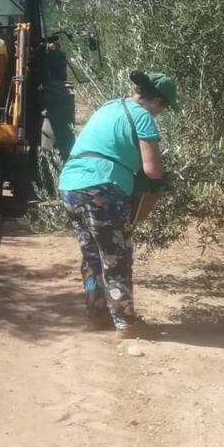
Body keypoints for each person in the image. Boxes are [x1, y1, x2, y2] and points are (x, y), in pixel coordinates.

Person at [58, 70, 177, 338]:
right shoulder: (144, 116)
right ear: (157, 101)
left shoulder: (110, 105)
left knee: (91, 255)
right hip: (103, 188)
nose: (161, 113)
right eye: (165, 108)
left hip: (69, 185)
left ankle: (97, 316)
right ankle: (125, 324)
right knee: (115, 257)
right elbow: (153, 170)